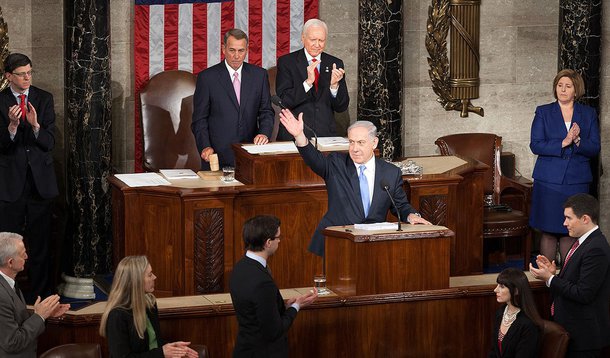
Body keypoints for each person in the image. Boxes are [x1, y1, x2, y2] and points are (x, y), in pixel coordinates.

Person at [279, 109, 431, 256]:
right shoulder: (336, 164)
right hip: (337, 242)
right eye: (351, 142)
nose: (355, 148)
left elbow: (400, 205)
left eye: (360, 142)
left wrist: (412, 215)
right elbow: (314, 159)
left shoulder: (390, 172)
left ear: (374, 142)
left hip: (372, 244)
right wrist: (299, 135)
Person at [0, 53, 59, 304]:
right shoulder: (0, 101)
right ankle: (9, 301)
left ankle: (43, 299)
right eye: (22, 74)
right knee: (8, 248)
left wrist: (35, 126)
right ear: (8, 76)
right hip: (10, 184)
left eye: (29, 72)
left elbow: (50, 143)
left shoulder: (43, 99)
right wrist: (12, 127)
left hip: (40, 184)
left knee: (41, 245)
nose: (27, 78)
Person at [529, 69, 600, 264]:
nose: (563, 89)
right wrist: (564, 141)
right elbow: (535, 144)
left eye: (568, 86)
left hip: (576, 181)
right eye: (560, 86)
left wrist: (577, 141)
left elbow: (594, 147)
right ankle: (545, 284)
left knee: (570, 232)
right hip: (549, 181)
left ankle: (566, 283)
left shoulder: (588, 113)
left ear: (576, 90)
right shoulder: (543, 112)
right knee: (549, 230)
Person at [530, 193, 610, 357]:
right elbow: (575, 282)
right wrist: (553, 274)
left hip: (584, 338)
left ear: (585, 219)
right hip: (572, 332)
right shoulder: (582, 242)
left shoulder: (596, 249)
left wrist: (550, 279)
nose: (564, 223)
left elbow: (583, 293)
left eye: (568, 218)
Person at [229, 215, 318, 357]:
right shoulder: (262, 282)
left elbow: (255, 310)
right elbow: (274, 331)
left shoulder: (239, 268)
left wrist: (284, 306)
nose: (280, 241)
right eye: (278, 237)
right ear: (268, 242)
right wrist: (297, 306)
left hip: (245, 349)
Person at [191, 28, 275, 169]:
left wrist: (264, 133)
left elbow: (266, 111)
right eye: (232, 50)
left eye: (241, 51)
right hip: (217, 157)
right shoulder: (207, 78)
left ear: (247, 50)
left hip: (251, 155)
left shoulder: (259, 76)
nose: (236, 56)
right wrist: (205, 146)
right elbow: (199, 119)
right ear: (223, 49)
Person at [99, 256, 198, 358]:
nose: (154, 277)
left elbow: (152, 343)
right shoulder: (117, 315)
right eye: (150, 275)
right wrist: (162, 352)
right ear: (136, 281)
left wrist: (174, 348)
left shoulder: (149, 303)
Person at [275, 18, 349, 141]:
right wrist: (308, 83)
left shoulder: (335, 63)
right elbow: (284, 101)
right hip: (294, 136)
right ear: (303, 38)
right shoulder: (287, 62)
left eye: (321, 40)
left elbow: (341, 106)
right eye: (313, 40)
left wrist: (334, 86)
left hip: (325, 136)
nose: (317, 44)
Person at [0, 232, 69, 357]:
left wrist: (45, 312)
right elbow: (12, 342)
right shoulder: (1, 295)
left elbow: (12, 317)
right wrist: (39, 316)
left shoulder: (8, 283)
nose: (26, 257)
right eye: (23, 254)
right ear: (10, 262)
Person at [488, 268, 542, 358]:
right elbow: (494, 352)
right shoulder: (500, 313)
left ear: (516, 290)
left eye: (502, 286)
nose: (495, 290)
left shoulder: (528, 324)